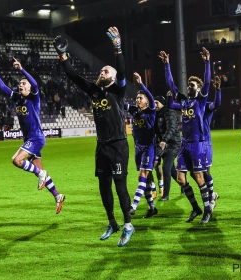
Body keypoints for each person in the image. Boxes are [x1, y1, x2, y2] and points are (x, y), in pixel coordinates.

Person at [54, 27, 134, 247]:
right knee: (103, 186)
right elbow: (73, 76)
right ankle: (112, 222)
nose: (103, 71)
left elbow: (122, 69)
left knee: (120, 186)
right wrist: (63, 56)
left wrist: (117, 48)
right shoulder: (94, 91)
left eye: (107, 71)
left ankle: (128, 224)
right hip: (102, 146)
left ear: (115, 78)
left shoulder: (118, 91)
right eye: (102, 70)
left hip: (118, 145)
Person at [0, 57, 65, 214]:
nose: (21, 85)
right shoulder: (17, 98)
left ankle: (41, 174)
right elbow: (2, 87)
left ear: (28, 89)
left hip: (36, 138)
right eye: (20, 83)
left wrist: (21, 69)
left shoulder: (33, 98)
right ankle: (57, 195)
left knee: (16, 160)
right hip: (29, 139)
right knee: (40, 172)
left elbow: (34, 84)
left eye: (23, 84)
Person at [161, 47, 212, 224]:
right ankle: (196, 208)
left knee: (199, 178)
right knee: (181, 179)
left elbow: (207, 82)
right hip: (184, 144)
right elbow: (171, 85)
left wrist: (207, 62)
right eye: (189, 85)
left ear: (198, 89)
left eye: (192, 85)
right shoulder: (183, 101)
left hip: (197, 145)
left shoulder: (201, 100)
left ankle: (207, 210)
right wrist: (167, 65)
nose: (189, 87)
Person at [124, 72, 157, 218]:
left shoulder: (150, 111)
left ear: (146, 101)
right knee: (145, 179)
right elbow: (122, 104)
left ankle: (133, 205)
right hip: (138, 148)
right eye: (137, 98)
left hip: (149, 147)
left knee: (143, 176)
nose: (137, 100)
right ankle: (152, 208)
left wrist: (141, 84)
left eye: (140, 98)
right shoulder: (135, 111)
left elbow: (150, 97)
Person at [153, 94, 181, 201]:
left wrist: (164, 140)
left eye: (157, 102)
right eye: (154, 102)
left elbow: (171, 128)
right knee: (172, 170)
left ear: (162, 103)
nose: (155, 104)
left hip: (173, 144)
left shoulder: (169, 112)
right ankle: (184, 185)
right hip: (163, 145)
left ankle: (166, 195)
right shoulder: (156, 114)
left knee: (166, 168)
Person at [202, 76, 222, 210]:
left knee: (205, 173)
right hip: (191, 144)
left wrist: (218, 90)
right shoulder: (190, 104)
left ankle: (210, 198)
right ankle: (212, 194)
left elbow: (217, 104)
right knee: (196, 173)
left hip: (205, 144)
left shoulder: (206, 106)